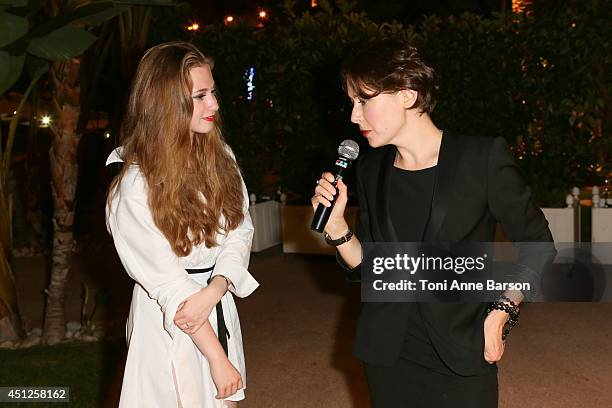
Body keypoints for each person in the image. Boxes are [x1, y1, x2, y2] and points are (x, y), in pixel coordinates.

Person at [311, 39, 555, 407]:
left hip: (461, 351)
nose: (353, 116)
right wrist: (337, 230)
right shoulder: (372, 169)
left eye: (363, 101)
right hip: (389, 354)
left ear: (407, 95)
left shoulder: (482, 159)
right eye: (351, 103)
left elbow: (539, 246)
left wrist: (503, 311)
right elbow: (373, 271)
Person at [106, 42, 259, 407]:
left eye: (213, 92)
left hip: (215, 302)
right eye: (201, 96)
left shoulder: (220, 156)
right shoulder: (133, 187)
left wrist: (218, 286)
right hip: (168, 323)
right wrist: (217, 358)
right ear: (165, 104)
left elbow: (240, 228)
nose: (215, 105)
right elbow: (171, 288)